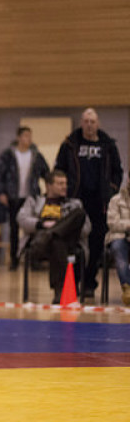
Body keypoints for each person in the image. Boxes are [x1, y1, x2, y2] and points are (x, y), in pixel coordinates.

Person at [54, 108, 123, 300]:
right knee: (75, 243)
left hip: (100, 203)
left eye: (93, 121)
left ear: (98, 123)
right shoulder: (70, 144)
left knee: (95, 244)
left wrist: (111, 189)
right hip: (75, 202)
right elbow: (59, 168)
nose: (90, 125)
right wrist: (64, 190)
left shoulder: (107, 145)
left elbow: (118, 171)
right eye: (86, 121)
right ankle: (73, 281)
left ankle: (90, 283)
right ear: (81, 123)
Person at [17, 170, 90, 304]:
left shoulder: (75, 203)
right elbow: (21, 219)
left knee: (79, 214)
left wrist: (63, 226)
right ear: (48, 185)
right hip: (42, 241)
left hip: (67, 240)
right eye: (60, 183)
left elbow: (86, 229)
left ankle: (51, 234)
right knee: (57, 241)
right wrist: (41, 224)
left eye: (65, 183)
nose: (64, 187)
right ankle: (59, 292)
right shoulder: (34, 200)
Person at [0, 126, 50, 271]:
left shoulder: (36, 155)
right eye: (25, 136)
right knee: (14, 229)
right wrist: (1, 193)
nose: (28, 139)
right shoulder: (8, 155)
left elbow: (46, 173)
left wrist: (49, 189)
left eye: (30, 136)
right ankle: (14, 259)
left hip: (31, 198)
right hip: (13, 196)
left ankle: (33, 259)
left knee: (32, 228)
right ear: (18, 137)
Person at [105, 171, 130, 306]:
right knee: (118, 247)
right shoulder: (116, 200)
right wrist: (128, 226)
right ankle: (127, 288)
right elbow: (112, 223)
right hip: (120, 236)